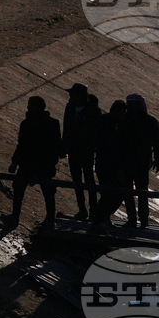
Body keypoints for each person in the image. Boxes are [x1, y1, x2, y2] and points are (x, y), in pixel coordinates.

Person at [5, 96, 61, 227]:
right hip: (43, 165)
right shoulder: (53, 123)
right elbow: (56, 147)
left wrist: (15, 162)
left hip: (31, 164)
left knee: (21, 189)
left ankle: (15, 217)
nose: (28, 108)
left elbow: (22, 145)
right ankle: (50, 219)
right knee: (47, 192)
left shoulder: (27, 123)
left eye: (30, 105)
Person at [120, 93, 159, 228]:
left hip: (142, 163)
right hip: (128, 162)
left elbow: (157, 142)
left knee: (141, 191)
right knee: (129, 192)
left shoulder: (149, 122)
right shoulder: (124, 120)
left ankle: (143, 219)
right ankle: (133, 218)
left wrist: (158, 158)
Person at [89, 100, 133, 226]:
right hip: (107, 166)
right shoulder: (109, 125)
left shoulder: (114, 124)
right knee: (111, 195)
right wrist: (117, 169)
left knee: (110, 195)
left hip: (107, 165)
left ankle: (102, 218)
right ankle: (99, 220)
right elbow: (109, 149)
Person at [62, 83, 102, 220]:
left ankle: (93, 210)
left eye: (72, 93)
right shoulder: (70, 108)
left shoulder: (93, 111)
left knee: (89, 180)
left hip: (87, 151)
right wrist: (64, 147)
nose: (69, 96)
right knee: (76, 181)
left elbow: (96, 133)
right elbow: (66, 129)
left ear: (79, 95)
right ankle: (82, 209)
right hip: (73, 151)